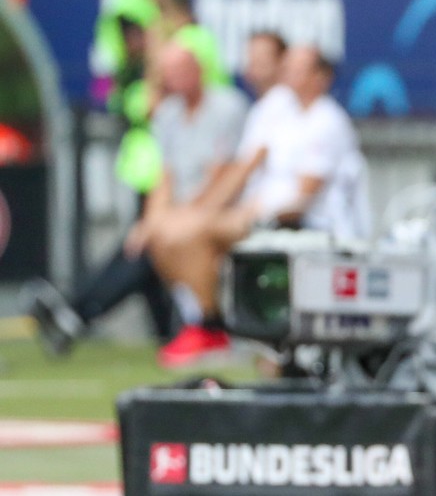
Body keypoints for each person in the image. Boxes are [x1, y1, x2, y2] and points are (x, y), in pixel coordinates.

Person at [148, 44, 367, 368]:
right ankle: (212, 324)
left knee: (192, 233)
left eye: (299, 69)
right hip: (266, 219)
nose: (289, 75)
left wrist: (249, 214)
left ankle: (213, 327)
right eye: (288, 67)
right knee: (168, 234)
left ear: (321, 78)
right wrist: (220, 210)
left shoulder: (327, 121)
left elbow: (302, 196)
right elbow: (250, 168)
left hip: (310, 226)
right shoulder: (282, 113)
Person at [29, 43, 248, 358]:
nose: (173, 80)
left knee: (151, 247)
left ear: (198, 70)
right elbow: (165, 177)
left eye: (180, 70)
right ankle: (79, 314)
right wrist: (151, 222)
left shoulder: (227, 107)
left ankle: (77, 312)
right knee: (140, 242)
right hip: (179, 213)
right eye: (168, 74)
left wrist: (175, 220)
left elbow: (221, 176)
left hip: (217, 210)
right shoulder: (169, 114)